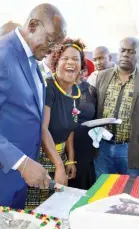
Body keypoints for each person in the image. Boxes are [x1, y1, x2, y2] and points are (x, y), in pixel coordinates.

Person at [0, 3, 67, 213]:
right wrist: (22, 163)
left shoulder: (30, 58)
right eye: (50, 41)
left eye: (57, 45)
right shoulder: (0, 57)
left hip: (18, 178)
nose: (53, 50)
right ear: (33, 25)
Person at [25, 39, 84, 209]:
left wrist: (70, 160)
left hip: (60, 157)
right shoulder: (48, 87)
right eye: (65, 58)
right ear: (55, 63)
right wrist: (59, 165)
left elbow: (70, 127)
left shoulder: (76, 92)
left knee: (55, 209)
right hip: (42, 157)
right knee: (37, 209)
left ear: (81, 65)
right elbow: (43, 129)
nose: (71, 62)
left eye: (75, 59)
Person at [94, 37, 139, 178]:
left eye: (131, 51)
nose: (126, 54)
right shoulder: (102, 76)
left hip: (130, 150)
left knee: (130, 195)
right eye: (123, 50)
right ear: (117, 53)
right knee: (103, 192)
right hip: (102, 148)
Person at [68, 66, 97, 190]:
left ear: (83, 71)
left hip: (86, 144)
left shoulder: (91, 90)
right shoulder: (59, 88)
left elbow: (97, 115)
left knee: (84, 180)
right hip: (64, 142)